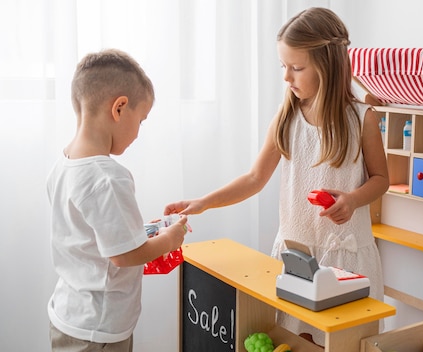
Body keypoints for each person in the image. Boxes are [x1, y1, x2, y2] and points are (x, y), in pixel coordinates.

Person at [164, 7, 389, 345]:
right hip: (295, 256)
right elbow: (255, 177)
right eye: (283, 67)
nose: (286, 77)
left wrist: (354, 199)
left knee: (344, 343)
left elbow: (381, 178)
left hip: (346, 260)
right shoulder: (287, 118)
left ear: (329, 66)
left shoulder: (362, 119)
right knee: (293, 339)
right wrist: (203, 202)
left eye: (296, 68)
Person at [47, 48, 189, 351]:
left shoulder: (64, 163)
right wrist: (170, 238)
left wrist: (139, 232)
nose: (138, 133)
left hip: (69, 312)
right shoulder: (108, 177)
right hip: (99, 329)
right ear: (120, 108)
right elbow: (124, 255)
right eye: (141, 120)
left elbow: (90, 233)